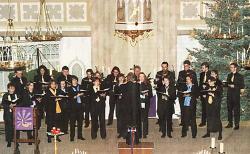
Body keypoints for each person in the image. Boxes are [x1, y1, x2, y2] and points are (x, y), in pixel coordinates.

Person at [177, 60, 197, 126]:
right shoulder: (181, 72)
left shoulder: (193, 73)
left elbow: (195, 83)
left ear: (189, 66)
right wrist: (178, 89)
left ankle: (190, 122)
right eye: (184, 66)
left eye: (187, 66)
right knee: (182, 108)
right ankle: (183, 122)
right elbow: (178, 82)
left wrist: (194, 94)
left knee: (190, 108)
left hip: (189, 93)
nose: (185, 67)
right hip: (182, 93)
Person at [155, 62, 175, 126]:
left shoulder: (171, 73)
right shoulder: (158, 73)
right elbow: (156, 81)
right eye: (163, 67)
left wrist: (166, 81)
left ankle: (169, 121)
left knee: (169, 107)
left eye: (165, 67)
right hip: (160, 92)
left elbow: (172, 82)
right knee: (160, 107)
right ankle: (160, 120)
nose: (164, 68)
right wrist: (160, 80)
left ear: (167, 66)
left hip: (168, 91)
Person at [225, 63, 245, 130]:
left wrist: (235, 87)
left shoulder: (240, 76)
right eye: (230, 67)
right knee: (229, 110)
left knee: (236, 110)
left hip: (236, 95)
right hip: (229, 95)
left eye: (232, 67)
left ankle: (237, 124)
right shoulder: (229, 75)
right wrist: (225, 84)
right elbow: (227, 83)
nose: (230, 68)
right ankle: (230, 123)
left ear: (235, 68)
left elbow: (242, 86)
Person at [2, 83, 21, 147]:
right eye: (10, 88)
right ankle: (9, 141)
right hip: (8, 114)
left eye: (13, 88)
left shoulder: (17, 95)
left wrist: (16, 105)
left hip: (16, 113)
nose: (12, 89)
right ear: (8, 89)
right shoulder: (5, 95)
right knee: (8, 128)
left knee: (16, 127)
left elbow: (20, 103)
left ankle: (16, 140)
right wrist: (9, 105)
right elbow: (2, 104)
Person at [68, 76, 85, 141]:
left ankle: (80, 136)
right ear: (71, 81)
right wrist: (76, 96)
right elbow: (69, 98)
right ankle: (72, 137)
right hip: (73, 108)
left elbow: (84, 94)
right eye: (73, 80)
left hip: (80, 107)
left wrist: (83, 95)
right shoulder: (69, 88)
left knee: (80, 123)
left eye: (75, 80)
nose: (74, 81)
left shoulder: (80, 87)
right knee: (72, 123)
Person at [125, 72, 140, 145]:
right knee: (135, 124)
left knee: (128, 124)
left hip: (127, 109)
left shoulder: (125, 86)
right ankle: (135, 140)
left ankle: (128, 141)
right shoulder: (137, 85)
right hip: (135, 109)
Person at [138, 72, 153, 138]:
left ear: (144, 77)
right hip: (138, 103)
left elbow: (151, 95)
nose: (141, 78)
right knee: (138, 118)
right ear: (138, 77)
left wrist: (147, 94)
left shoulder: (148, 85)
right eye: (140, 76)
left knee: (145, 118)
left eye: (142, 76)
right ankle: (139, 132)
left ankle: (145, 133)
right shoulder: (136, 84)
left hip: (145, 103)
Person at [114, 74, 127, 139]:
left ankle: (124, 133)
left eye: (122, 77)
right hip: (118, 103)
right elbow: (114, 95)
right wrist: (118, 96)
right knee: (119, 118)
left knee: (124, 118)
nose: (121, 79)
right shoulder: (116, 86)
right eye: (120, 78)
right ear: (118, 79)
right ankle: (120, 132)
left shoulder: (125, 85)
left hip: (124, 104)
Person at [199, 62, 211, 127]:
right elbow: (200, 84)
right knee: (203, 108)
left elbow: (212, 84)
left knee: (209, 109)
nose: (202, 69)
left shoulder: (211, 74)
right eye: (201, 68)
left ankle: (210, 122)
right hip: (202, 94)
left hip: (208, 94)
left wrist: (206, 88)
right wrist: (201, 93)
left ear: (207, 68)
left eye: (203, 68)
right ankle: (203, 122)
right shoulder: (201, 74)